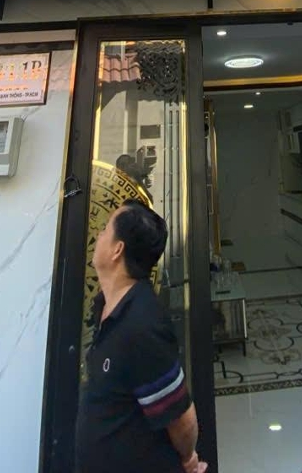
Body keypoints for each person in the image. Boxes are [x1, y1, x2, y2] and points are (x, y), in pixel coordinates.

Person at [75, 199, 208, 473]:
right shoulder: (109, 307)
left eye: (105, 230)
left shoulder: (142, 325)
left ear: (117, 249)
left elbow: (182, 419)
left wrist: (188, 458)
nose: (98, 235)